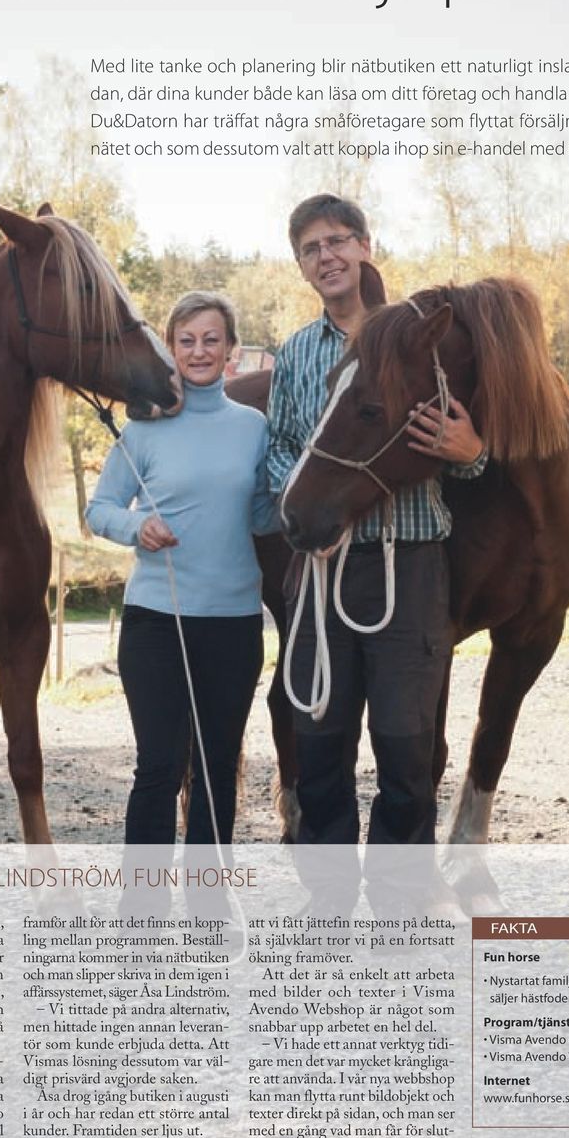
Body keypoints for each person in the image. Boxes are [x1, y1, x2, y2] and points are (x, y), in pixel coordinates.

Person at [266, 195, 487, 900]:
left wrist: (472, 451)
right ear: (301, 265)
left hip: (411, 567)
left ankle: (398, 906)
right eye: (310, 248)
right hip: (322, 575)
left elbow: (465, 454)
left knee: (405, 747)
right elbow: (279, 449)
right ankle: (328, 903)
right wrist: (305, 516)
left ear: (365, 245)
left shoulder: (423, 339)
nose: (326, 256)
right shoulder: (299, 351)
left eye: (337, 241)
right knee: (320, 745)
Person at [86, 291, 280, 846]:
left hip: (234, 623)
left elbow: (263, 516)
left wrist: (307, 507)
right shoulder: (144, 429)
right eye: (187, 340)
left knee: (218, 768)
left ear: (231, 352)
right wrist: (136, 527)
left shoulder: (253, 427)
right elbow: (98, 509)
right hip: (155, 623)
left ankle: (209, 903)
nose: (199, 351)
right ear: (170, 350)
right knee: (159, 768)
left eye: (211, 340)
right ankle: (141, 910)